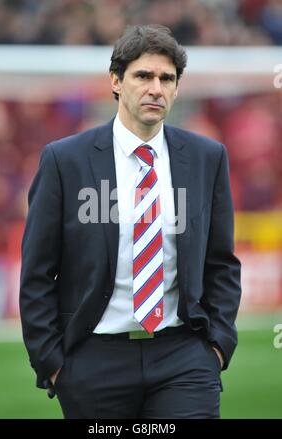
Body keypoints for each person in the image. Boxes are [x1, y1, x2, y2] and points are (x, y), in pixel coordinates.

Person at [20, 24, 241, 419]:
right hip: (94, 359)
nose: (156, 87)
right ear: (116, 82)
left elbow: (222, 262)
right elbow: (37, 271)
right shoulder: (64, 160)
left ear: (176, 88)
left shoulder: (208, 157)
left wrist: (217, 345)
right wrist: (52, 363)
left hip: (183, 355)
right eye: (143, 76)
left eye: (166, 78)